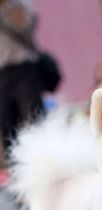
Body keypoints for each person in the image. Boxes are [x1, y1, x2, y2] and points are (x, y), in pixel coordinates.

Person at [0, 0, 61, 169]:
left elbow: (25, 27)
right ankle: (15, 171)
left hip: (24, 69)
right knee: (6, 127)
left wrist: (5, 8)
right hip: (2, 74)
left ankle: (46, 165)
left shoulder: (18, 4)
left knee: (34, 119)